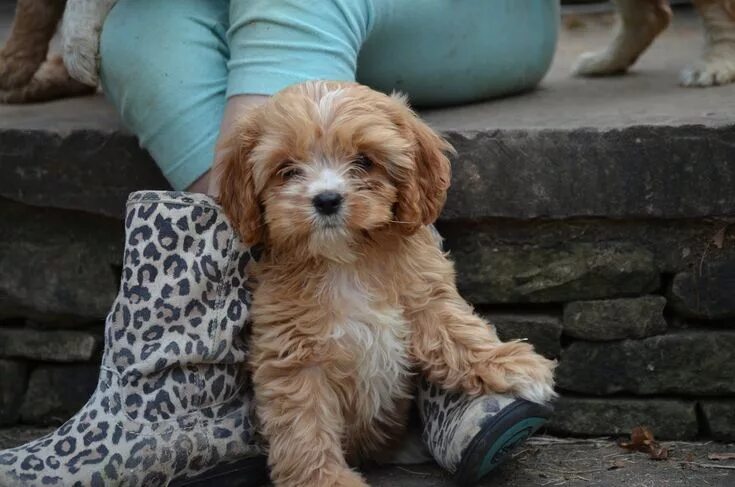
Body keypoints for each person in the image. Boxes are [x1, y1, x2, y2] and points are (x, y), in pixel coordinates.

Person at [0, 1, 559, 486]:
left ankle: (438, 369)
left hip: (476, 19)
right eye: (287, 172)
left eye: (361, 164)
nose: (324, 189)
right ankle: (188, 392)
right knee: (130, 37)